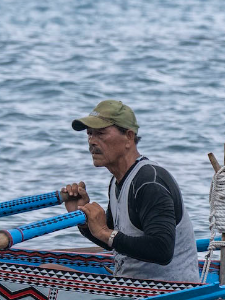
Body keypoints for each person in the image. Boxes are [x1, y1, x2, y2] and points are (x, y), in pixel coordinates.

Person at [60, 100, 200, 283]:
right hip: (132, 288)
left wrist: (103, 231)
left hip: (168, 295)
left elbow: (162, 250)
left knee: (45, 273)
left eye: (100, 133)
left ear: (128, 137)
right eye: (89, 134)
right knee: (48, 270)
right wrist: (85, 220)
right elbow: (114, 240)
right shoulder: (117, 181)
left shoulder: (150, 183)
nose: (92, 141)